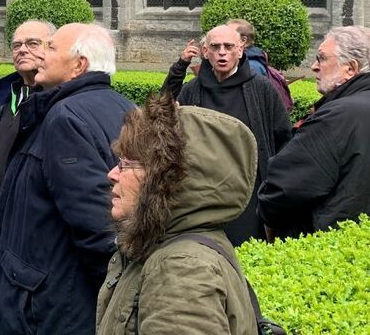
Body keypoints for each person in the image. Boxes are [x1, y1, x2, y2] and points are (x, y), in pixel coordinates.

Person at [0, 23, 134, 334]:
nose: (41, 56)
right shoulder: (124, 107)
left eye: (51, 48)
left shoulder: (65, 118)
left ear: (79, 64)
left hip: (50, 303)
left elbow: (96, 223)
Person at [96, 95, 257, 334]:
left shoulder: (181, 269)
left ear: (167, 179)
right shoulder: (178, 244)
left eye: (127, 164)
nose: (112, 174)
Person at [176, 24, 291, 245]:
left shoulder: (262, 89)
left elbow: (282, 138)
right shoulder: (192, 90)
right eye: (215, 47)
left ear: (241, 50)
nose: (222, 52)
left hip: (247, 193)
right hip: (202, 195)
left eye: (228, 46)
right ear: (205, 52)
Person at [258, 26, 370, 235]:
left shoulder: (336, 118)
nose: (314, 66)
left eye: (322, 58)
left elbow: (283, 191)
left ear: (350, 68)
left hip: (331, 245)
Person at [0, 19, 55, 232]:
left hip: (29, 224)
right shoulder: (8, 96)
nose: (22, 50)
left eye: (32, 43)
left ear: (53, 49)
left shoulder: (56, 101)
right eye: (16, 45)